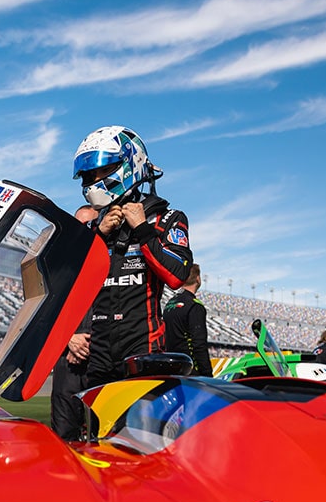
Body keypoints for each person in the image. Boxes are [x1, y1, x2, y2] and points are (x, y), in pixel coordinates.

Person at [72, 125, 192, 385]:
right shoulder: (94, 229)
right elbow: (68, 280)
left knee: (143, 425)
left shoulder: (166, 218)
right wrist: (99, 236)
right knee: (96, 425)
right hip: (98, 356)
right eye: (91, 174)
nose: (95, 180)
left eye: (104, 170)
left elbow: (177, 276)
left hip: (143, 353)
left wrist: (142, 229)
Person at [50, 205, 98, 439]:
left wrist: (91, 343)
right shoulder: (58, 266)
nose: (82, 231)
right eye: (77, 225)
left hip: (100, 358)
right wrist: (68, 337)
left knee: (104, 438)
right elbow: (43, 313)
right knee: (64, 437)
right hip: (66, 361)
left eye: (88, 225)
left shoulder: (112, 264)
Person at [163, 263, 212, 376]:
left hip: (172, 367)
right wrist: (207, 374)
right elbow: (198, 344)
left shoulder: (169, 303)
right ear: (198, 279)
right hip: (189, 369)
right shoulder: (194, 306)